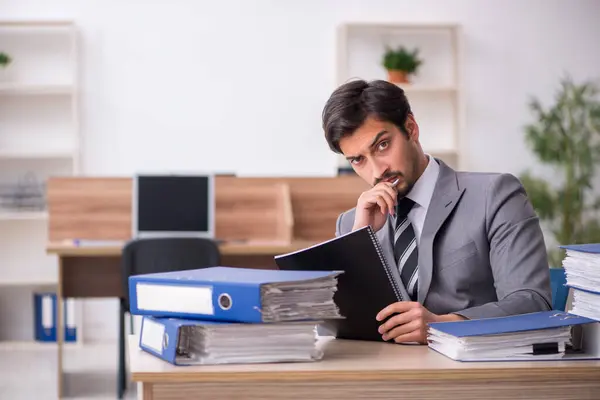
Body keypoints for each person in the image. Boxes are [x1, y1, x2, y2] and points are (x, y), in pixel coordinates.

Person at [321, 79, 552, 345]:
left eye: (382, 145)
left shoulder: (495, 195)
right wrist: (360, 241)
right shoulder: (352, 224)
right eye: (358, 160)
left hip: (471, 376)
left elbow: (533, 302)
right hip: (383, 379)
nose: (376, 171)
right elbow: (340, 325)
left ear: (411, 128)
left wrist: (442, 326)